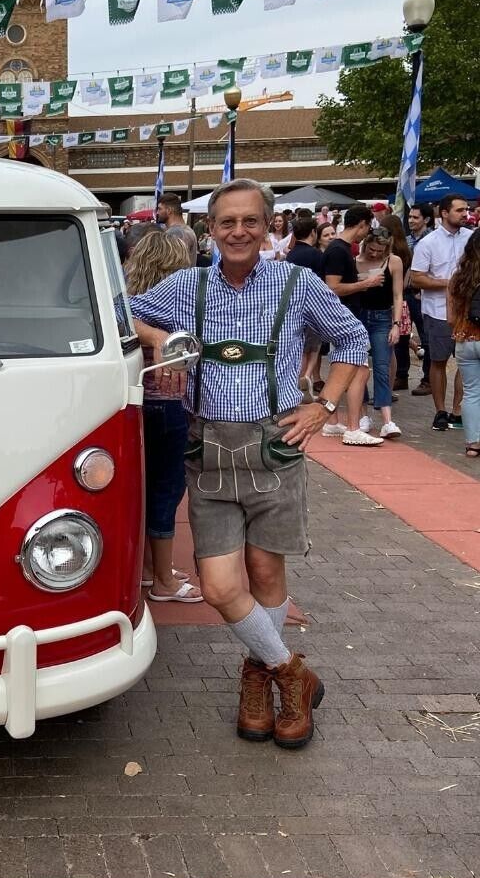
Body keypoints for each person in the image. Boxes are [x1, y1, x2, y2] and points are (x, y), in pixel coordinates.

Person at [130, 178, 369, 749]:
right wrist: (163, 338)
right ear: (209, 230)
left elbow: (354, 339)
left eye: (250, 222)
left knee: (265, 575)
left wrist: (323, 405)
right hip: (208, 449)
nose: (238, 232)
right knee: (217, 585)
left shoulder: (297, 281)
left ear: (267, 228)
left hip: (276, 447)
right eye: (226, 222)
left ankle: (261, 682)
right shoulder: (186, 285)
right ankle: (293, 671)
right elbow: (114, 312)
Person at [125, 232, 202, 605]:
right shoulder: (178, 306)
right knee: (167, 491)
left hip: (135, 405)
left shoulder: (128, 304)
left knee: (143, 489)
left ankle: (149, 568)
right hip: (168, 406)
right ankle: (164, 581)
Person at [322, 204, 383, 445]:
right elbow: (332, 287)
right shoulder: (339, 250)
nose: (366, 234)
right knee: (359, 370)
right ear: (362, 225)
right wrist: (364, 284)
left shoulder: (340, 248)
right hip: (344, 317)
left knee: (343, 368)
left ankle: (333, 421)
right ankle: (353, 426)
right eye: (367, 228)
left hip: (344, 316)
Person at [410, 195, 472, 432]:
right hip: (437, 312)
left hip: (468, 312)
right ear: (444, 213)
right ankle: (440, 411)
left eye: (466, 209)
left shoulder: (472, 239)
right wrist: (450, 284)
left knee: (466, 363)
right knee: (438, 361)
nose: (464, 214)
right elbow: (416, 278)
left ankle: (457, 410)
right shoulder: (428, 243)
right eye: (459, 210)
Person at [355, 227, 403, 438]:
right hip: (359, 316)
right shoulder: (355, 260)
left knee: (382, 367)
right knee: (359, 367)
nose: (374, 254)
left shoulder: (393, 261)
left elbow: (398, 294)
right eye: (372, 249)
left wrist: (396, 324)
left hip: (382, 318)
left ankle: (387, 420)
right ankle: (363, 414)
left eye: (380, 250)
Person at [448, 229, 480, 459]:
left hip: (464, 339)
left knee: (471, 393)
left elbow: (450, 317)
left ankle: (472, 443)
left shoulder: (458, 277)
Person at [287, 214, 325, 399]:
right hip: (312, 307)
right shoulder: (316, 255)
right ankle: (305, 379)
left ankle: (302, 379)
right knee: (312, 348)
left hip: (292, 307)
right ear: (313, 233)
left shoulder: (291, 255)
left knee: (301, 346)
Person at [376, 214, 413, 391]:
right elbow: (406, 282)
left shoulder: (388, 254)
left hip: (385, 302)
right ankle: (397, 379)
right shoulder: (406, 250)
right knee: (397, 348)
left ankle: (387, 387)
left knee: (386, 351)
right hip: (402, 301)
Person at [406, 203, 435, 393]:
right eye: (410, 216)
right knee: (402, 335)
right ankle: (401, 374)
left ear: (426, 219)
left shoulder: (432, 240)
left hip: (423, 295)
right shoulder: (407, 240)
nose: (410, 220)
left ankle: (428, 379)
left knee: (426, 336)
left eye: (415, 217)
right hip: (407, 292)